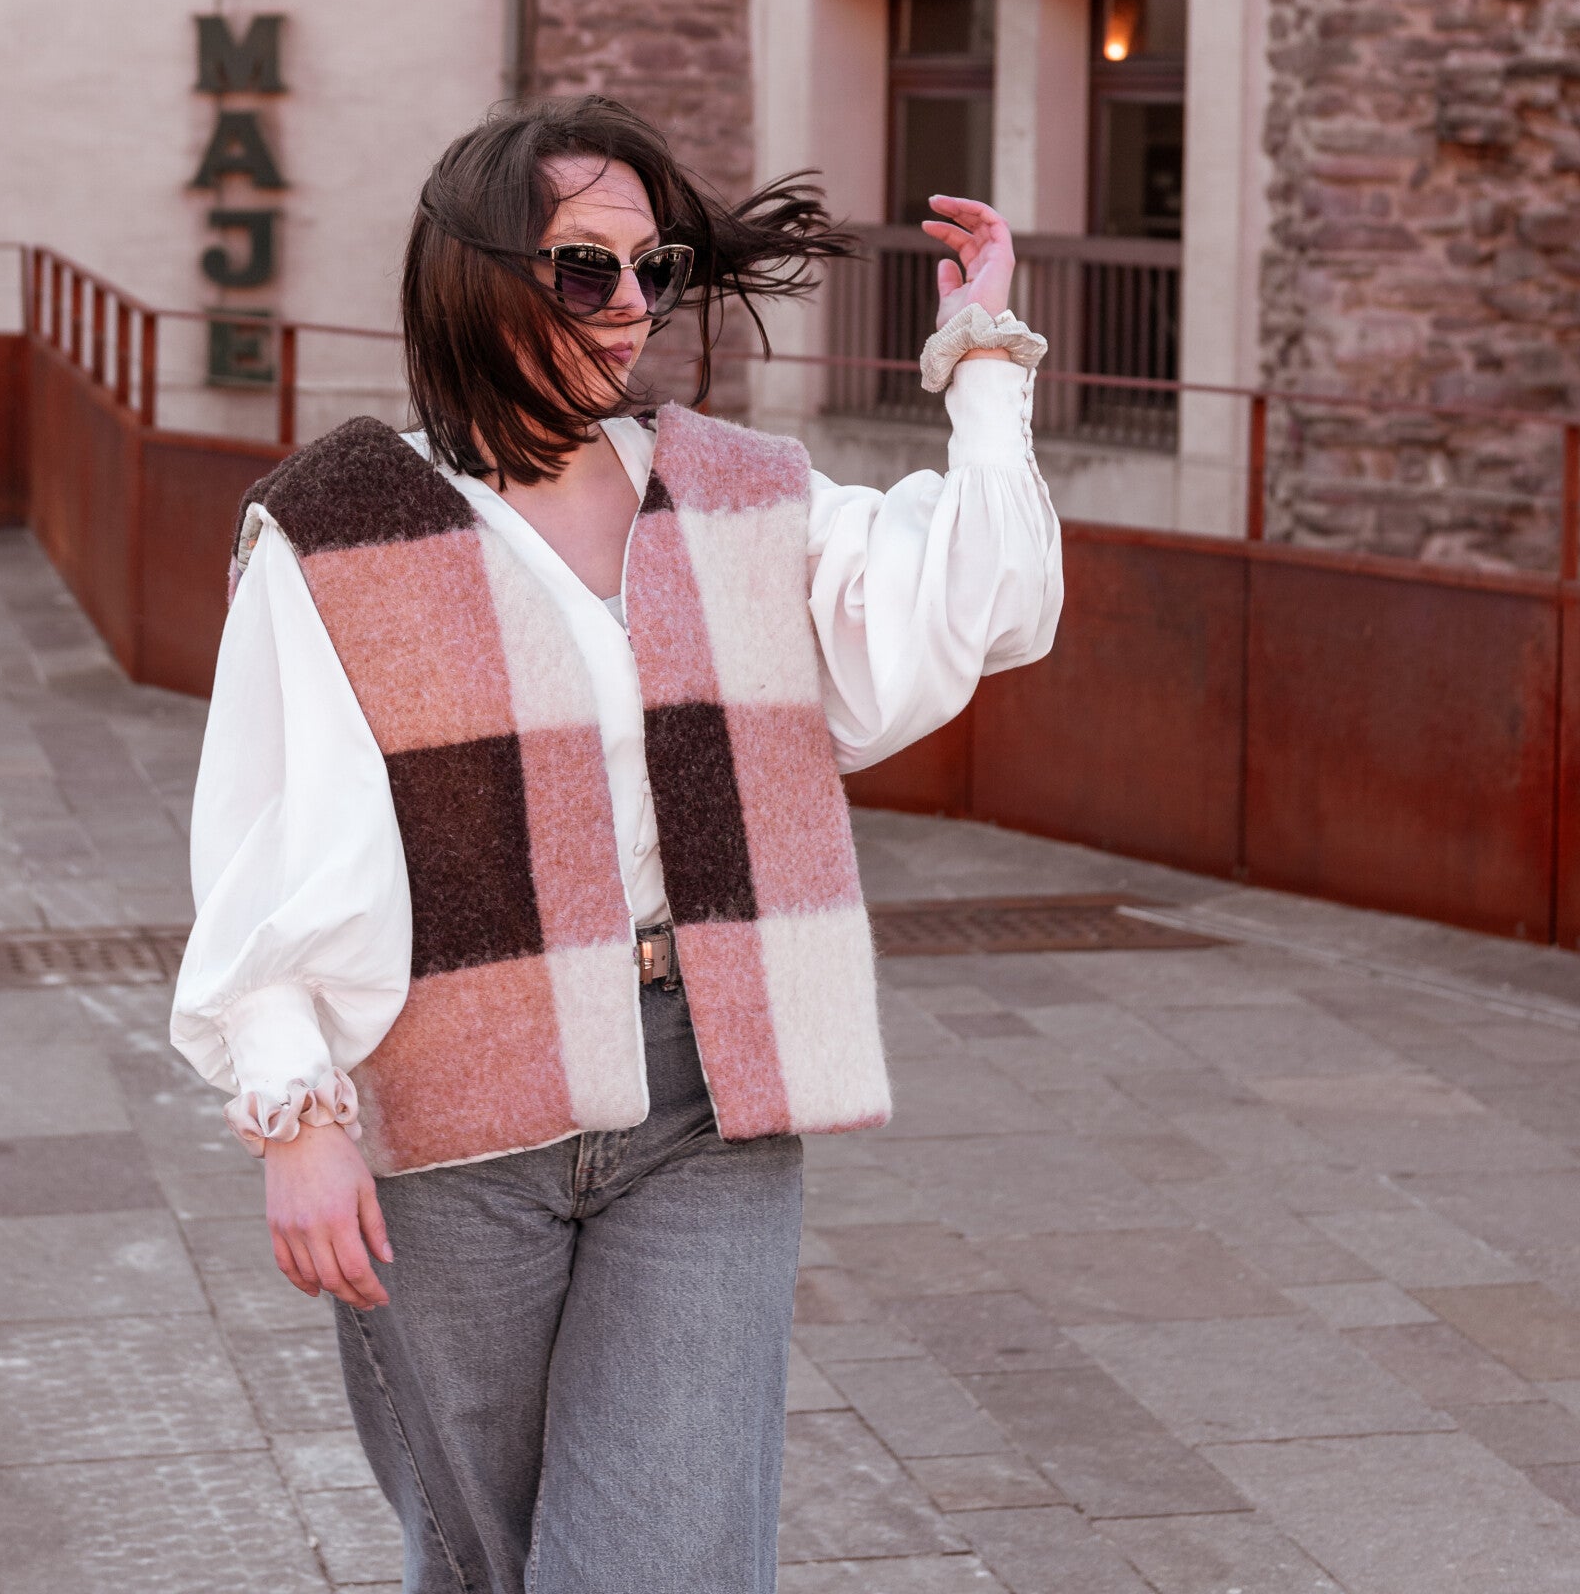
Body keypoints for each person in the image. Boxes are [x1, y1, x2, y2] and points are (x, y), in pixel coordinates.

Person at [171, 94, 1060, 1594]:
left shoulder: (741, 493)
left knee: (661, 1562)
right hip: (447, 1109)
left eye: (656, 269)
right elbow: (267, 824)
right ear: (477, 275)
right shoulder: (338, 523)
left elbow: (985, 605)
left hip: (707, 1091)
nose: (632, 305)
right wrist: (293, 1111)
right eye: (587, 267)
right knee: (484, 1562)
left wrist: (982, 360)